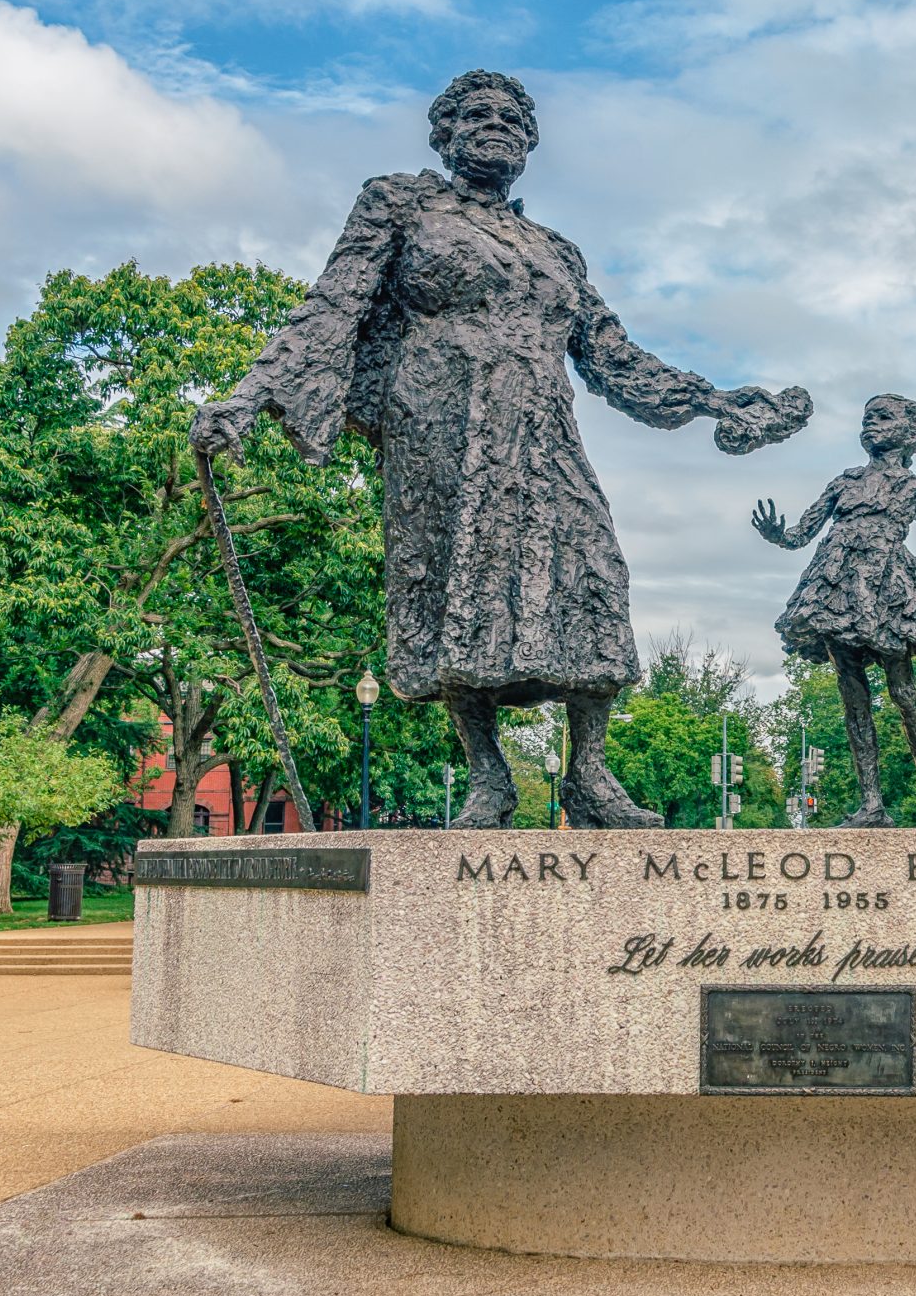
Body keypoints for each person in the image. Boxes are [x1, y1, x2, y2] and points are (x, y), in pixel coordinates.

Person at [192, 70, 809, 828]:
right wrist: (250, 394)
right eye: (477, 114)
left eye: (512, 116)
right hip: (440, 422)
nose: (496, 125)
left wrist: (713, 398)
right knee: (458, 586)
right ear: (444, 135)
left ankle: (588, 772)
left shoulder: (556, 250)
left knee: (594, 573)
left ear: (531, 140)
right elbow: (333, 304)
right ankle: (488, 775)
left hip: (543, 427)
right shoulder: (400, 204)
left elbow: (614, 356)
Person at [753, 395, 916, 827]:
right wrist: (779, 535)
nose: (870, 423)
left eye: (883, 417)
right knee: (852, 694)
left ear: (909, 434)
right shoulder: (844, 482)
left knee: (904, 689)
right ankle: (871, 804)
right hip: (837, 590)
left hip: (888, 589)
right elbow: (801, 533)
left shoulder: (914, 488)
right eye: (867, 417)